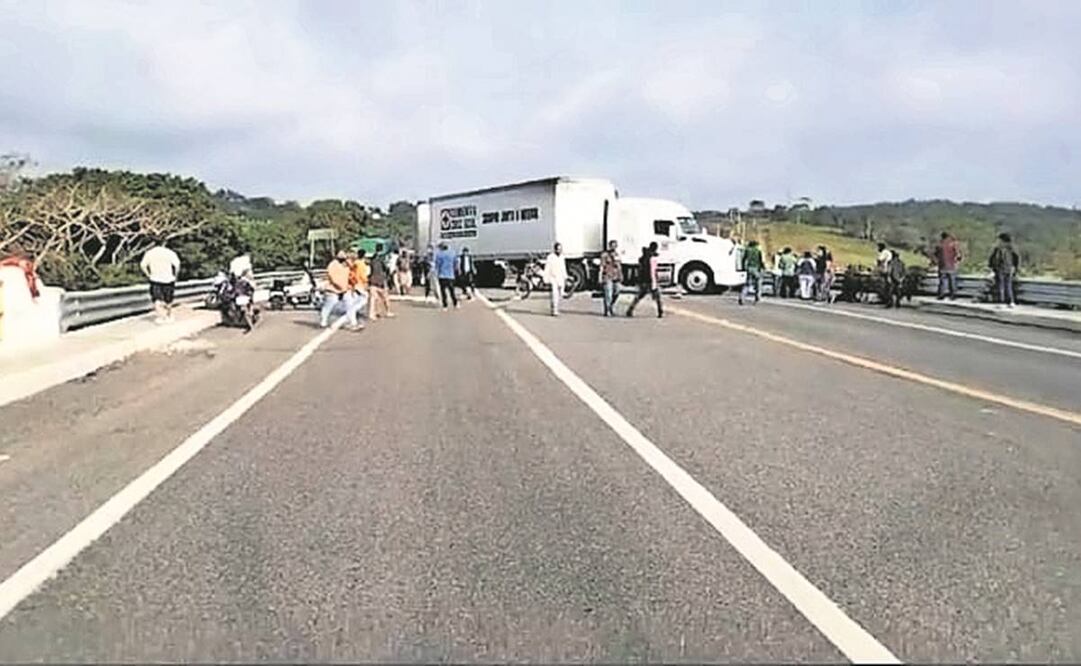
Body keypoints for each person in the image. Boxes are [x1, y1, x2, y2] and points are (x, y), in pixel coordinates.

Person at [139, 239, 181, 323]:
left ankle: (161, 317)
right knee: (168, 299)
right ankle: (169, 315)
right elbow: (177, 265)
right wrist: (175, 275)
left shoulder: (150, 253)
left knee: (157, 299)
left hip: (155, 279)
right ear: (164, 243)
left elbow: (143, 265)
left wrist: (148, 274)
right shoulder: (169, 252)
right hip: (168, 279)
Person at [320, 251, 362, 330]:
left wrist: (350, 285)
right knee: (329, 305)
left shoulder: (347, 267)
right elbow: (333, 278)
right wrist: (340, 286)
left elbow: (350, 277)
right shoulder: (333, 265)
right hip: (332, 289)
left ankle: (353, 323)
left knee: (350, 305)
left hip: (345, 290)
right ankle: (323, 322)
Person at [626, 242, 663, 318]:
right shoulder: (652, 257)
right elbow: (653, 270)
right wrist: (656, 279)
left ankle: (630, 310)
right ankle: (660, 311)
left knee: (639, 296)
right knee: (657, 297)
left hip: (644, 280)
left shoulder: (644, 257)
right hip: (650, 280)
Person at [989, 232, 1019, 308]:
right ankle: (1010, 301)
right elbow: (1016, 258)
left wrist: (992, 268)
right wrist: (1015, 267)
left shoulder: (998, 249)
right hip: (1009, 268)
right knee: (1008, 285)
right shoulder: (1012, 248)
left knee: (1000, 286)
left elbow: (994, 259)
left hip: (1000, 269)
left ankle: (1001, 302)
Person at [368, 243, 394, 319]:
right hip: (381, 281)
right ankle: (388, 311)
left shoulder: (372, 259)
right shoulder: (382, 258)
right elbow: (386, 269)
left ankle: (372, 313)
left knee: (374, 299)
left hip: (373, 280)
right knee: (385, 297)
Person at [935, 232, 962, 300]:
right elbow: (958, 255)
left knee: (942, 281)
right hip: (951, 265)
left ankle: (941, 294)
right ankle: (953, 295)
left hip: (942, 266)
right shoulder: (953, 244)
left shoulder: (939, 245)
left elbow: (936, 255)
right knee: (952, 281)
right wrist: (957, 261)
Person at [543, 242, 568, 317]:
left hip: (560, 278)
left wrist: (565, 277)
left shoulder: (562, 257)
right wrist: (546, 278)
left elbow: (563, 268)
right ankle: (554, 310)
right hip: (553, 278)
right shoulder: (550, 257)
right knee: (554, 295)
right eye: (558, 249)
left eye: (560, 249)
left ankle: (555, 307)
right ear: (555, 249)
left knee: (560, 295)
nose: (559, 251)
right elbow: (547, 268)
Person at [599, 239, 623, 316]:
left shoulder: (617, 255)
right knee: (608, 294)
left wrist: (621, 275)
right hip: (607, 276)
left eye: (615, 246)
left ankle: (611, 306)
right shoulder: (605, 255)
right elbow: (601, 266)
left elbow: (619, 266)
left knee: (617, 292)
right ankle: (607, 310)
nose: (613, 247)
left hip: (616, 276)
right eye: (612, 245)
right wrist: (600, 276)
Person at [434, 242, 459, 310]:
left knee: (443, 291)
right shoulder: (452, 253)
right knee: (452, 290)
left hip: (442, 275)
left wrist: (436, 273)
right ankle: (455, 303)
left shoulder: (439, 255)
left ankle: (445, 305)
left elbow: (437, 265)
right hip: (451, 275)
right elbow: (456, 263)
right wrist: (456, 270)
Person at [739, 239, 764, 305]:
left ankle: (742, 297)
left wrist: (743, 268)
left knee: (747, 284)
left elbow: (743, 259)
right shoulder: (758, 251)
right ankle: (757, 298)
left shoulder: (747, 250)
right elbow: (761, 260)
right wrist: (762, 268)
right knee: (758, 283)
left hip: (749, 268)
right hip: (756, 268)